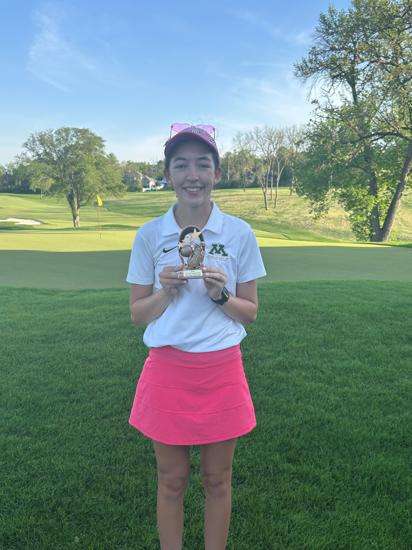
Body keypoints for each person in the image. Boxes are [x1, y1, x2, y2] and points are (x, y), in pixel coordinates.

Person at [126, 123, 266, 550]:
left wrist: (220, 294)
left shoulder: (239, 233)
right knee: (172, 480)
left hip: (222, 368)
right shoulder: (150, 235)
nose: (193, 175)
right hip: (167, 368)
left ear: (216, 173)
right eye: (181, 164)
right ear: (168, 174)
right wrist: (165, 292)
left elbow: (250, 312)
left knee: (217, 479)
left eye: (202, 164)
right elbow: (137, 314)